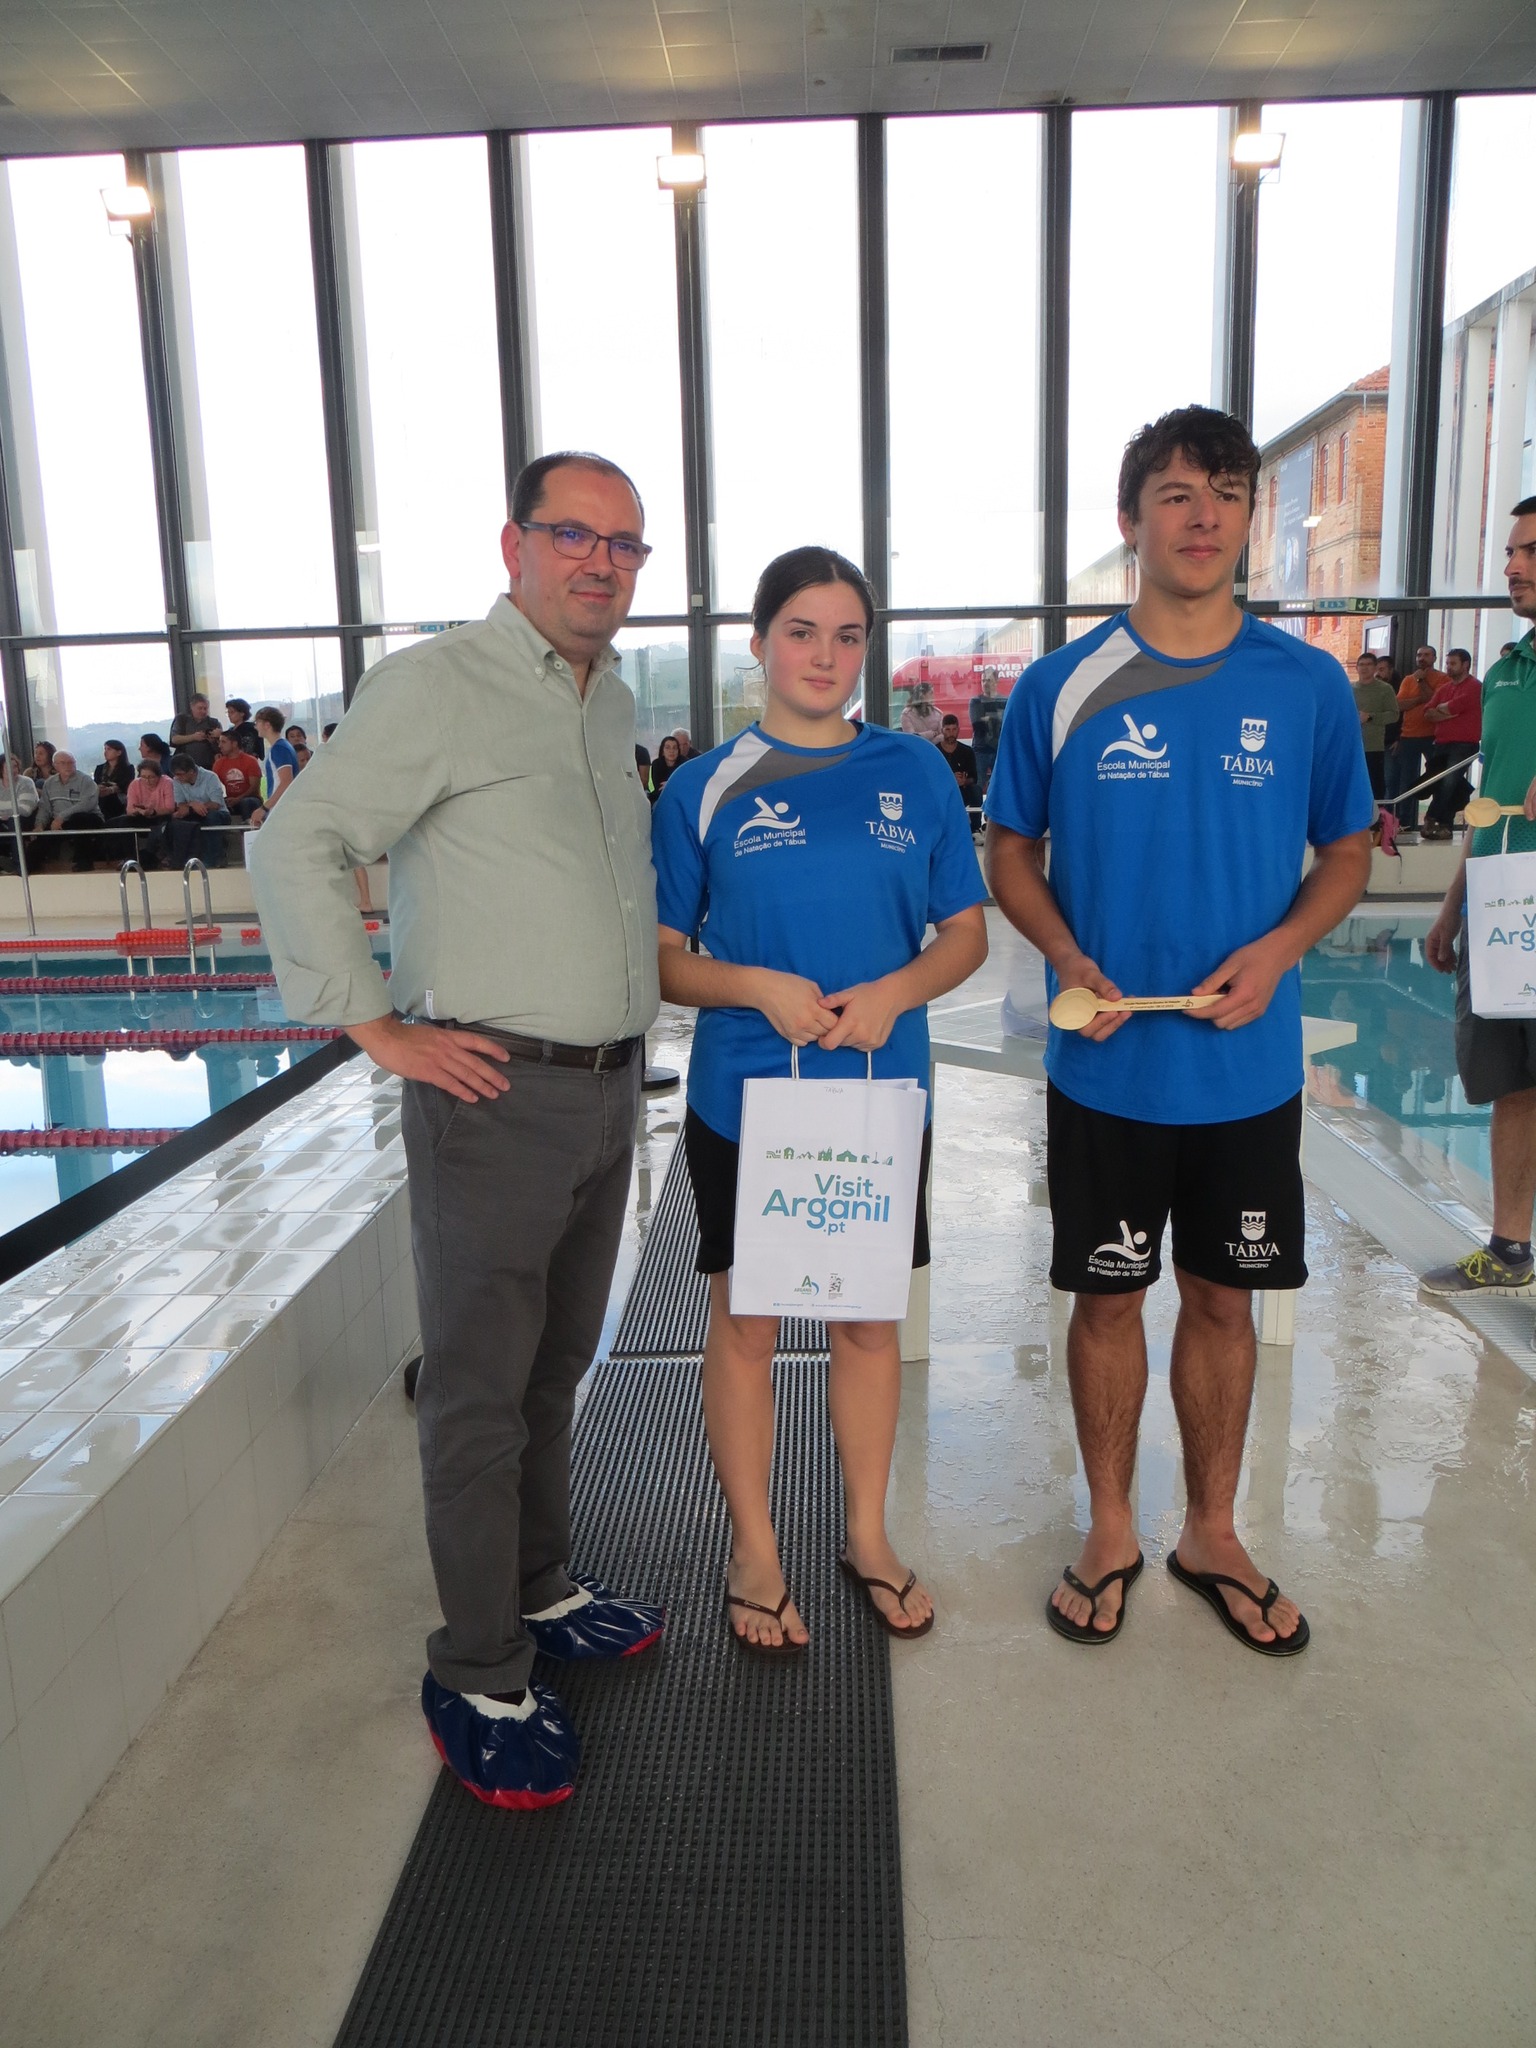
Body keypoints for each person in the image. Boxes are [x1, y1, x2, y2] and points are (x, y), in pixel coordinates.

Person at [250, 449, 665, 1810]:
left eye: (625, 544)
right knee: (481, 1395)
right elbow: (295, 842)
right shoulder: (438, 686)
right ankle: (480, 1668)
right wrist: (378, 1027)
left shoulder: (609, 701)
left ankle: (538, 1588)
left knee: (553, 1370)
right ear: (514, 545)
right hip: (492, 1099)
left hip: (607, 1089)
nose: (601, 562)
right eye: (575, 535)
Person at [985, 404, 1372, 1655]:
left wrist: (1280, 947)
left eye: (1227, 493)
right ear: (1130, 518)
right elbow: (1010, 846)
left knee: (1222, 1300)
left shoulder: (1306, 686)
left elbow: (1348, 851)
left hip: (1246, 1071)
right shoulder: (1061, 684)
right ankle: (1110, 1525)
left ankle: (1211, 1529)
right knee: (1107, 1303)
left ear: (1253, 514)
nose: (1204, 517)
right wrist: (1064, 954)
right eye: (1176, 493)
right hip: (1107, 1067)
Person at [653, 545, 988, 1653]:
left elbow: (965, 933)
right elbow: (662, 960)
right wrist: (755, 985)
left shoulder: (916, 770)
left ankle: (867, 1533)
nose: (825, 655)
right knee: (747, 1323)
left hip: (880, 1100)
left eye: (848, 636)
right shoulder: (703, 787)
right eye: (802, 631)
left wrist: (896, 990)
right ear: (758, 642)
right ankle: (755, 1547)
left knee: (867, 1322)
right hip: (748, 1098)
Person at [1423, 498, 1536, 1300]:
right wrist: (1451, 908)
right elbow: (1488, 802)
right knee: (1512, 1083)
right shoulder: (1505, 673)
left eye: (1529, 552)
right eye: (1510, 552)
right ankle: (1509, 1248)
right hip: (1502, 912)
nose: (1512, 566)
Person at [1422, 647, 1482, 840]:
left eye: (1453, 663)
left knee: (1449, 781)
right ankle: (1444, 825)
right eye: (1447, 663)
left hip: (1464, 744)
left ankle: (1433, 818)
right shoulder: (1444, 689)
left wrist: (1444, 710)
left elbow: (1454, 707)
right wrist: (1446, 712)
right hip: (1441, 742)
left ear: (1465, 665)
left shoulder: (1475, 687)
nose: (1448, 667)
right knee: (1442, 783)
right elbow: (1428, 713)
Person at [1387, 650, 1437, 835]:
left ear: (1434, 658)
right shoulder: (1409, 679)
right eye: (1419, 655)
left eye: (1426, 655)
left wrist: (1421, 682)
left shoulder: (1442, 679)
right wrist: (1419, 699)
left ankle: (1434, 819)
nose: (1421, 658)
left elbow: (1434, 700)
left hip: (1433, 736)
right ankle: (1404, 821)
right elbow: (1399, 705)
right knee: (1406, 779)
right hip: (1408, 736)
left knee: (1437, 778)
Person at [36, 749, 104, 870]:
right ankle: (26, 868)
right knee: (41, 838)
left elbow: (87, 804)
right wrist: (39, 825)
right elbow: (44, 807)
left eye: (71, 762)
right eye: (63, 763)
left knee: (79, 819)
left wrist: (62, 817)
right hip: (60, 822)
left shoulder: (85, 780)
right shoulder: (49, 783)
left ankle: (84, 863)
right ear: (55, 765)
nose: (68, 766)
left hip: (88, 818)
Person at [167, 752, 233, 866]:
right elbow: (180, 804)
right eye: (175, 775)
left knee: (211, 817)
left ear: (191, 772)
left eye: (180, 774)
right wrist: (192, 805)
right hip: (193, 812)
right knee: (176, 821)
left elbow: (216, 804)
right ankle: (180, 859)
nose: (177, 777)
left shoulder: (210, 777)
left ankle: (214, 858)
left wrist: (198, 807)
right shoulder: (177, 781)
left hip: (219, 813)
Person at [1352, 650, 1401, 801]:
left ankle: (1377, 815)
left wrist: (1370, 717)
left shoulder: (1385, 689)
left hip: (1373, 746)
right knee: (1353, 785)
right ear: (1356, 668)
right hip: (1351, 746)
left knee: (1375, 786)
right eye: (1361, 664)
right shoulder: (1349, 689)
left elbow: (1394, 715)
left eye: (1368, 664)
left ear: (1375, 668)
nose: (1364, 668)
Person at [247, 708, 298, 827]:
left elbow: (286, 782)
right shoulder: (284, 746)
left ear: (267, 725)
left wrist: (264, 808)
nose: (255, 727)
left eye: (257, 723)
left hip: (281, 809)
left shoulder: (279, 749)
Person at [126, 756, 176, 865]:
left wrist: (153, 812)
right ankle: (129, 857)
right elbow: (129, 809)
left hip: (161, 816)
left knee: (164, 823)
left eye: (151, 777)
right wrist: (138, 811)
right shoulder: (135, 784)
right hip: (141, 815)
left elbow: (170, 807)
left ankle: (161, 855)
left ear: (158, 776)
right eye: (144, 777)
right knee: (123, 822)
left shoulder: (167, 782)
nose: (147, 781)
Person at [936, 712, 981, 829]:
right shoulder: (935, 751)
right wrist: (950, 780)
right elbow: (932, 778)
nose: (951, 733)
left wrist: (964, 781)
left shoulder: (967, 751)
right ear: (942, 730)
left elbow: (974, 778)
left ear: (958, 730)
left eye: (954, 729)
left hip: (963, 790)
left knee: (976, 790)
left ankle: (975, 828)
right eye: (948, 729)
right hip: (942, 791)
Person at [968, 667, 1008, 794]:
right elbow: (978, 725)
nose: (985, 683)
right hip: (981, 751)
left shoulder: (1004, 701)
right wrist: (996, 717)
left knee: (1000, 785)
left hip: (998, 750)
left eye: (989, 680)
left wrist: (988, 718)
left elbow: (1005, 724)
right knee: (978, 785)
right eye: (983, 680)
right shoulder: (976, 702)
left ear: (996, 681)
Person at [213, 726, 263, 819]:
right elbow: (213, 784)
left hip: (251, 799)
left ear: (234, 744)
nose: (219, 746)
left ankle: (249, 826)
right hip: (231, 800)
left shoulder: (250, 761)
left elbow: (254, 788)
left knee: (247, 802)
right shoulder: (219, 763)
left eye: (223, 742)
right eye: (219, 742)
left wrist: (238, 799)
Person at [0, 755, 38, 872]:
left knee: (14, 821)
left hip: (26, 820)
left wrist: (5, 814)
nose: (13, 770)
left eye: (15, 766)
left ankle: (20, 867)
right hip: (3, 820)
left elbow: (25, 810)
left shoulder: (25, 782)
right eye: (8, 767)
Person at [169, 693, 220, 769]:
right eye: (200, 708)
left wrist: (216, 738)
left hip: (208, 765)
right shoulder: (182, 720)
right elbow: (174, 739)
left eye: (205, 708)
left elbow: (221, 746)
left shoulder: (213, 723)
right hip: (185, 765)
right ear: (192, 707)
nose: (203, 711)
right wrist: (193, 737)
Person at [92, 739, 133, 821]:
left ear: (119, 752)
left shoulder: (128, 768)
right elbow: (95, 783)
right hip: (101, 799)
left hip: (118, 800)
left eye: (109, 749)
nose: (105, 752)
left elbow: (126, 785)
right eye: (105, 749)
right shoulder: (100, 768)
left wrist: (111, 789)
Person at [649, 732, 682, 801]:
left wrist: (670, 784)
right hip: (661, 796)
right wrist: (676, 784)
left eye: (675, 748)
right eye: (667, 748)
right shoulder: (656, 763)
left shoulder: (685, 763)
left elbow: (686, 785)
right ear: (662, 751)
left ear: (678, 751)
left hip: (680, 796)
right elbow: (658, 787)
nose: (671, 751)